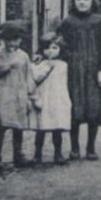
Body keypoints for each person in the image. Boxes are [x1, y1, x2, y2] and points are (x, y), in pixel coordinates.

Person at [59, 0, 101, 160]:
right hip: (73, 71)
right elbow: (60, 45)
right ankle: (74, 147)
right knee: (74, 108)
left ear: (92, 1)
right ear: (73, 1)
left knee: (93, 108)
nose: (82, 2)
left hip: (93, 70)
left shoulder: (100, 22)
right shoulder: (67, 22)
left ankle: (91, 147)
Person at [0, 21, 37, 171]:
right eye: (8, 39)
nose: (11, 43)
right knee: (0, 128)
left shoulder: (23, 56)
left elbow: (29, 75)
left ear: (20, 40)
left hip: (18, 96)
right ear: (3, 39)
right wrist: (7, 67)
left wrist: (30, 94)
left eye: (15, 39)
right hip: (1, 96)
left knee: (18, 128)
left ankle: (17, 155)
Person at [29, 32, 71, 166]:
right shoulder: (39, 64)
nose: (51, 51)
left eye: (54, 48)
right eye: (47, 48)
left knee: (56, 128)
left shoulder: (63, 65)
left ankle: (58, 154)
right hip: (43, 98)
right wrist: (46, 66)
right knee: (41, 128)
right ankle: (37, 154)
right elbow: (35, 78)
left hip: (57, 99)